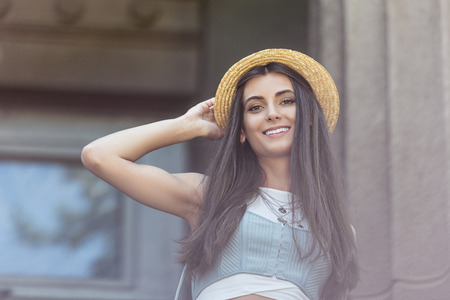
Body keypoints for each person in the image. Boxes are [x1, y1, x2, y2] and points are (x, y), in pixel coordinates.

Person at [81, 49, 359, 300]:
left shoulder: (337, 230)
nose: (272, 114)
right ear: (241, 130)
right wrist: (188, 126)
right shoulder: (209, 196)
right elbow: (99, 156)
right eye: (255, 107)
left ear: (309, 116)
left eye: (286, 101)